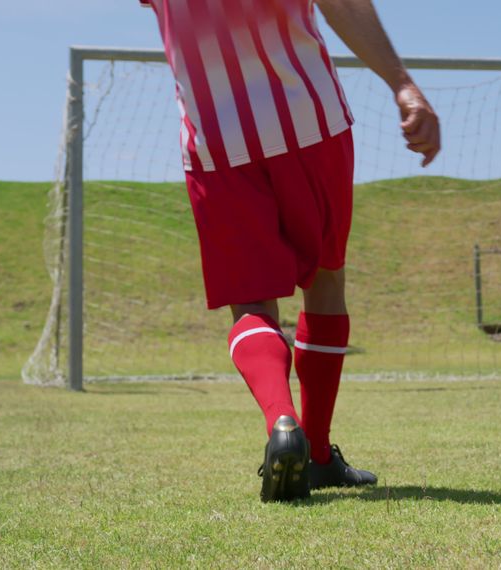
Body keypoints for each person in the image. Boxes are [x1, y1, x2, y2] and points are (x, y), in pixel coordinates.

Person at [138, 0, 441, 502]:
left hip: (217, 140)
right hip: (309, 121)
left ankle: (282, 421)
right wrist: (401, 83)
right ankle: (317, 453)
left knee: (251, 303)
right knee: (324, 278)